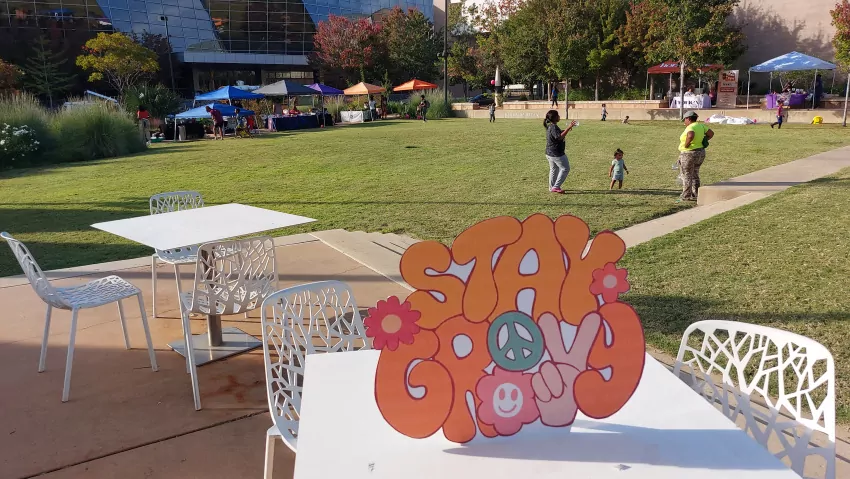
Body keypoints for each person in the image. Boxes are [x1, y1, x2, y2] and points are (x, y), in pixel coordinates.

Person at [677, 111, 714, 202]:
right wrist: (703, 140)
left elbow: (690, 135)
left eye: (684, 120)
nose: (684, 122)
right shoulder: (701, 126)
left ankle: (686, 195)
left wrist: (686, 145)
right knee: (695, 173)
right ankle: (696, 194)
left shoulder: (690, 127)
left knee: (687, 175)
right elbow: (711, 133)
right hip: (700, 152)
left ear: (688, 119)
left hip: (689, 154)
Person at [543, 109, 576, 194]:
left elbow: (556, 134)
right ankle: (556, 187)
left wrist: (565, 130)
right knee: (565, 168)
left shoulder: (551, 126)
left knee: (554, 169)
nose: (559, 116)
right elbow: (559, 137)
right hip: (556, 153)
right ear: (554, 118)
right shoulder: (553, 126)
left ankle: (552, 187)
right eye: (558, 115)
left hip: (549, 153)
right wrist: (568, 128)